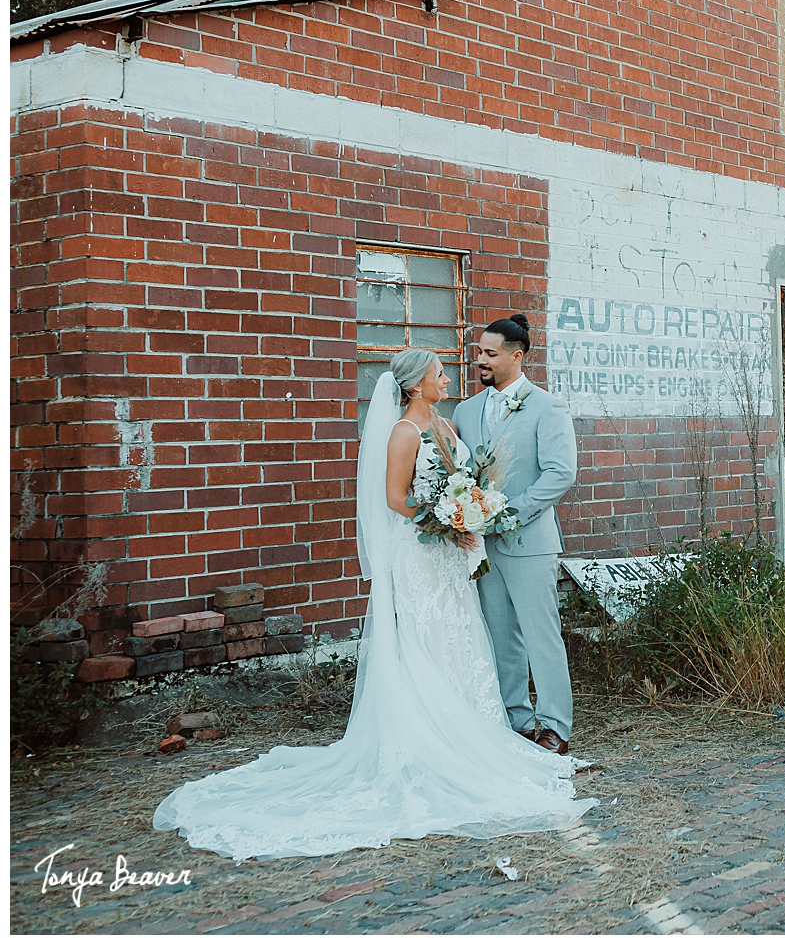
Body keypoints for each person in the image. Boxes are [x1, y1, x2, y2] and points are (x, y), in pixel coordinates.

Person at [152, 350, 595, 861]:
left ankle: (475, 732)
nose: (448, 378)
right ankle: (431, 743)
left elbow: (465, 482)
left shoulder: (448, 426)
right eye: (438, 375)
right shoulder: (405, 433)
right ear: (414, 386)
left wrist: (468, 512)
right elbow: (394, 498)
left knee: (463, 636)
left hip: (452, 558)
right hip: (421, 553)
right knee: (427, 641)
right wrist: (446, 521)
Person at [452, 315, 579, 755]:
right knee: (499, 632)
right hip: (481, 544)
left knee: (541, 634)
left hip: (528, 541)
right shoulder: (465, 412)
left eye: (490, 354)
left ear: (516, 355)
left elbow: (560, 473)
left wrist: (507, 513)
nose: (481, 361)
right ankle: (515, 717)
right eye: (479, 353)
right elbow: (460, 472)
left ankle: (556, 725)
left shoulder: (547, 406)